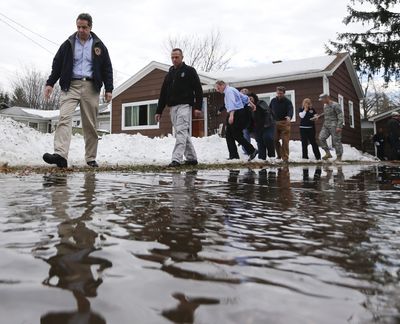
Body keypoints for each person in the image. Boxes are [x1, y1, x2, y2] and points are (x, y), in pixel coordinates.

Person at [43, 13, 113, 168]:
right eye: (78, 27)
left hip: (91, 87)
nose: (81, 30)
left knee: (90, 124)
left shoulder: (99, 46)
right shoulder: (68, 44)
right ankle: (60, 155)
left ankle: (90, 158)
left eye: (84, 27)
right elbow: (57, 64)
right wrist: (50, 83)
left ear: (90, 27)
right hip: (70, 86)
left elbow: (107, 68)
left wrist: (109, 88)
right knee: (64, 118)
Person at [155, 48, 203, 167]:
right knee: (182, 132)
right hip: (173, 108)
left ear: (182, 57)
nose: (174, 59)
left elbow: (198, 89)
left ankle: (176, 159)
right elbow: (163, 94)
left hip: (184, 106)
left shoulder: (189, 71)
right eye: (172, 57)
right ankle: (192, 158)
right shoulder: (169, 74)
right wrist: (159, 111)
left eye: (177, 57)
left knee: (180, 132)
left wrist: (198, 107)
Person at [214, 80, 258, 161]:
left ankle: (251, 150)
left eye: (218, 87)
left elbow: (232, 104)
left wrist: (231, 115)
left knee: (236, 135)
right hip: (239, 113)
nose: (217, 90)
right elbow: (244, 97)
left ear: (222, 85)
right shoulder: (232, 89)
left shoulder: (228, 92)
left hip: (237, 113)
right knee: (229, 135)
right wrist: (252, 104)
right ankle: (234, 155)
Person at [315, 93, 343, 162]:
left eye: (322, 99)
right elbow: (326, 113)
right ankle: (328, 153)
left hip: (334, 125)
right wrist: (319, 116)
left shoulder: (335, 105)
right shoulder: (325, 106)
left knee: (336, 141)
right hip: (326, 125)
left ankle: (339, 157)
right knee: (321, 138)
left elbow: (340, 115)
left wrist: (339, 126)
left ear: (327, 98)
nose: (322, 101)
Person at [248, 92, 275, 160]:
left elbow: (267, 111)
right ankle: (262, 159)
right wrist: (250, 129)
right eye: (248, 99)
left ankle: (271, 155)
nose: (250, 100)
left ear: (254, 98)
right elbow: (250, 120)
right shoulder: (249, 108)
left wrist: (266, 123)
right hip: (258, 128)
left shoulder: (261, 103)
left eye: (251, 98)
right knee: (260, 142)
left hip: (268, 125)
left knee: (267, 138)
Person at [270, 86, 294, 162]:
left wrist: (289, 117)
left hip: (284, 123)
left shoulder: (288, 101)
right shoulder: (273, 101)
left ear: (284, 93)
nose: (279, 94)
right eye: (278, 93)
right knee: (275, 140)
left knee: (285, 140)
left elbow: (290, 110)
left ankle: (285, 157)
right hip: (275, 122)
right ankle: (279, 155)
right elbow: (269, 110)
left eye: (281, 93)